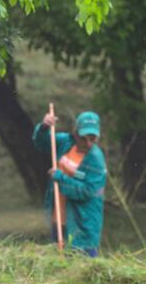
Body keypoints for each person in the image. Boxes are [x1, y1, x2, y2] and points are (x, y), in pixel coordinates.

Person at [32, 110, 107, 257]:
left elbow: (87, 191)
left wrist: (61, 178)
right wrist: (44, 127)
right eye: (84, 138)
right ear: (76, 133)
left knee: (83, 263)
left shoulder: (96, 161)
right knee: (60, 262)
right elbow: (41, 142)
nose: (88, 143)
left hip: (83, 221)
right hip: (59, 215)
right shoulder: (65, 142)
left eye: (93, 139)